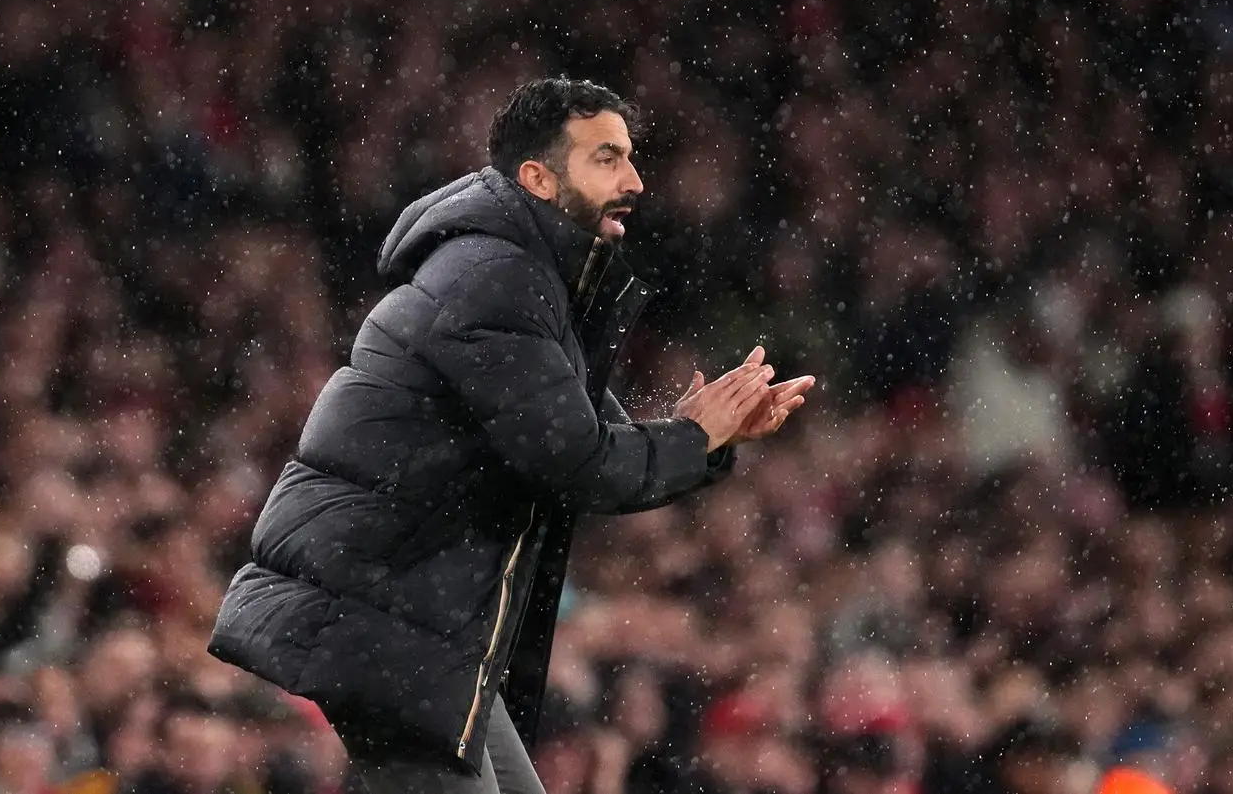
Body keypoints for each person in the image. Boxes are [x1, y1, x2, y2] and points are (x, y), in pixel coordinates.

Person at [206, 77, 815, 794]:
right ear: (537, 177)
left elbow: (593, 443)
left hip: (413, 627)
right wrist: (692, 436)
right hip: (380, 623)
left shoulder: (521, 275)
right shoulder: (496, 278)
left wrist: (707, 436)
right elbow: (583, 463)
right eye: (607, 158)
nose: (635, 180)